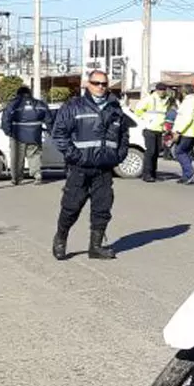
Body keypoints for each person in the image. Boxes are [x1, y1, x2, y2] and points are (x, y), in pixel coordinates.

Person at [50, 70, 131, 261]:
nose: (100, 87)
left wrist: (118, 156)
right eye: (96, 83)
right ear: (88, 84)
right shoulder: (73, 107)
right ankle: (61, 238)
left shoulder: (115, 109)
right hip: (80, 168)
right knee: (71, 207)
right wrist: (75, 156)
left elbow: (124, 135)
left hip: (104, 168)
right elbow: (59, 134)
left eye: (104, 84)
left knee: (102, 208)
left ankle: (95, 247)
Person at [2, 85, 49, 185]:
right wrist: (51, 130)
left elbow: (5, 119)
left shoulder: (13, 104)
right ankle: (37, 175)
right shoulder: (39, 104)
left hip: (17, 135)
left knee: (17, 158)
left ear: (18, 94)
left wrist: (8, 132)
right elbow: (49, 119)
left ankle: (16, 179)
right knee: (35, 156)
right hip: (35, 134)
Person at [133, 82, 173, 182]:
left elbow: (164, 114)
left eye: (164, 90)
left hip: (159, 129)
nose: (162, 92)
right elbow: (138, 109)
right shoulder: (150, 99)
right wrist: (145, 119)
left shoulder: (166, 100)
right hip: (149, 128)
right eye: (160, 90)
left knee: (156, 152)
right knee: (150, 152)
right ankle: (147, 174)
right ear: (156, 90)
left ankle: (153, 173)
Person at [171, 86, 194, 184]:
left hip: (186, 132)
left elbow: (186, 118)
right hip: (192, 131)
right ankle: (186, 176)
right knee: (187, 154)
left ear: (184, 92)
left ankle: (190, 173)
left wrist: (178, 131)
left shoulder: (189, 102)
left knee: (179, 152)